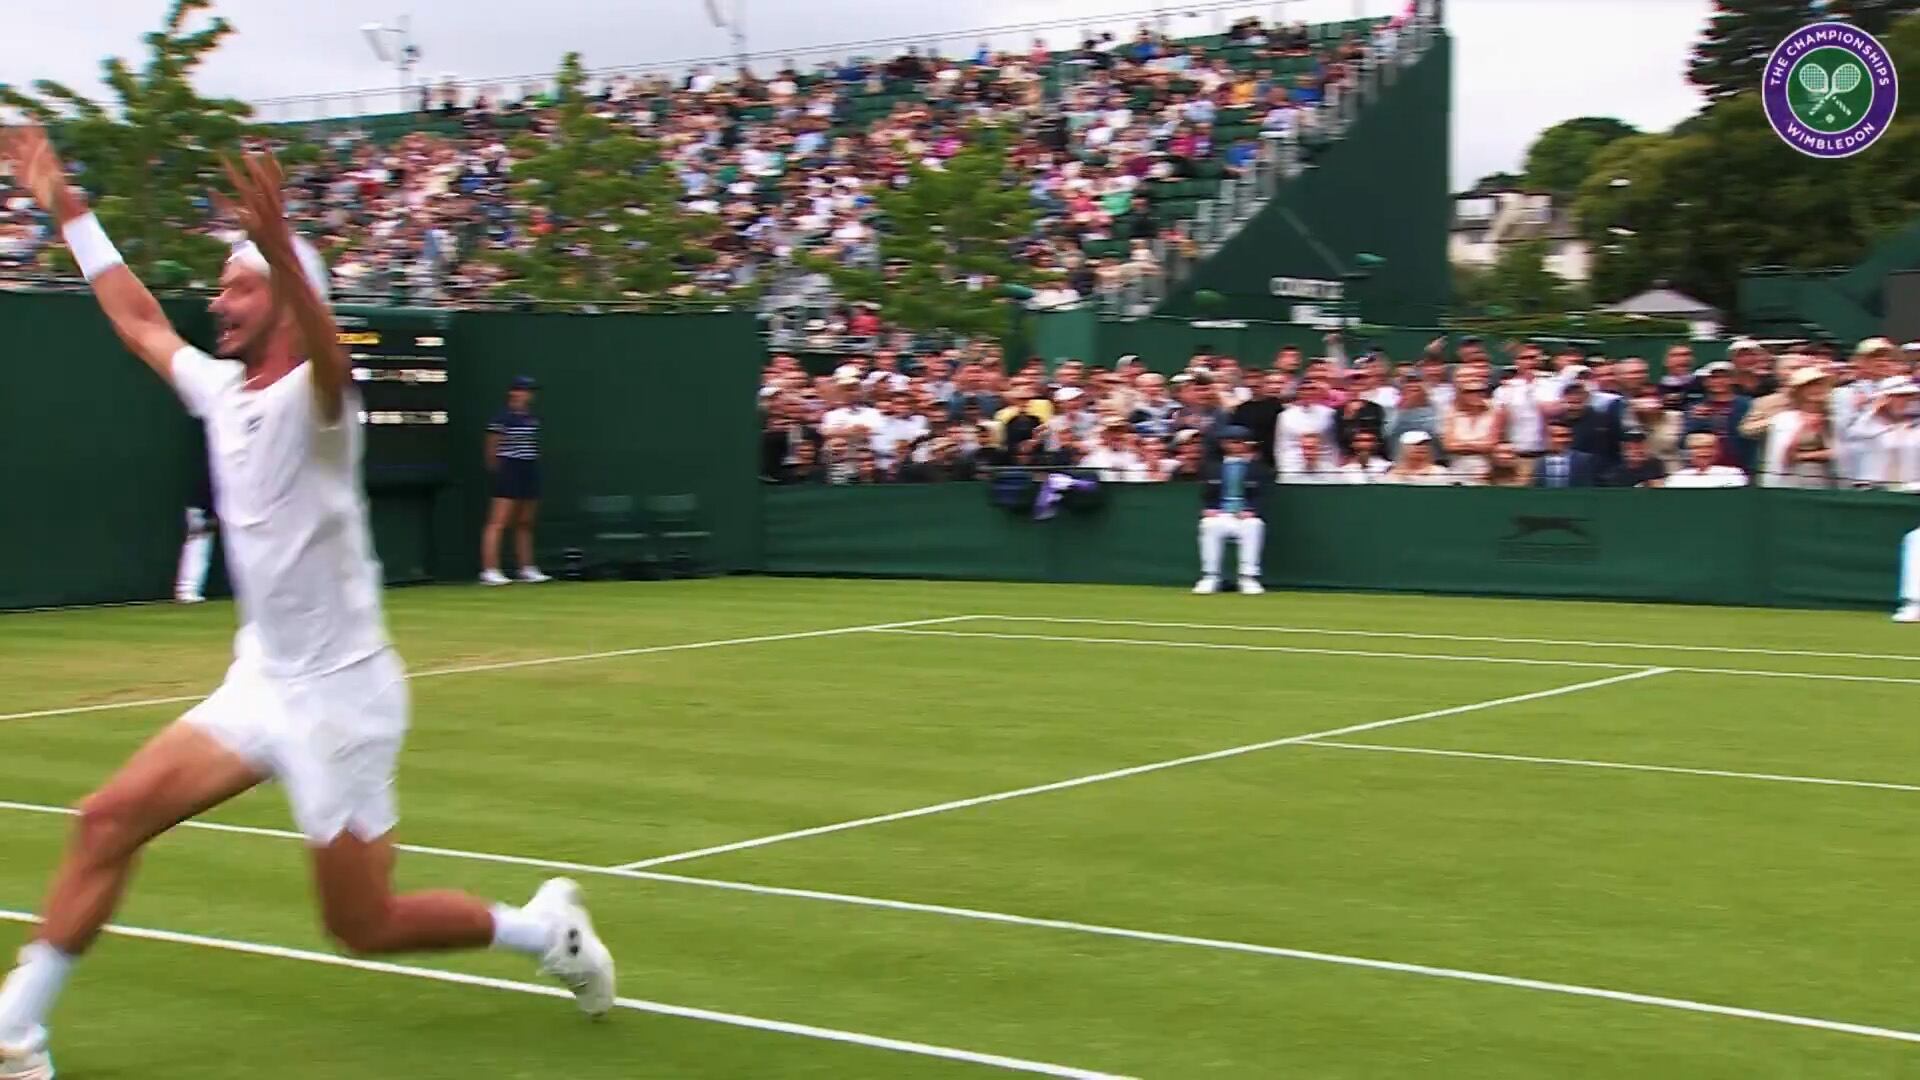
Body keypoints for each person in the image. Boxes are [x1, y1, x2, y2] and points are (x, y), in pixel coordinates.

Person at [0, 130, 614, 1080]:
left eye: (237, 285)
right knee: (105, 821)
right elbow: (134, 320)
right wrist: (63, 204)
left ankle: (543, 933)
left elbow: (328, 359)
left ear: (287, 299)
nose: (217, 300)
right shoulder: (219, 392)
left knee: (362, 925)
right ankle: (17, 1035)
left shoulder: (324, 408)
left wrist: (282, 248)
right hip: (263, 682)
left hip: (344, 702)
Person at [481, 376, 553, 584]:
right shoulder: (501, 418)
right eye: (523, 390)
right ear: (513, 392)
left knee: (525, 522)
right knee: (498, 522)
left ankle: (526, 568)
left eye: (530, 391)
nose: (527, 394)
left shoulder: (531, 419)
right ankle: (489, 570)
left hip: (528, 468)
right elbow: (491, 448)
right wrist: (499, 471)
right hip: (508, 468)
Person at [1194, 426, 1269, 595]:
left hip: (1245, 515)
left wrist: (1252, 510)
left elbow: (1263, 495)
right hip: (1221, 513)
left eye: (1241, 442)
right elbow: (1206, 494)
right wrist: (1209, 508)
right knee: (1208, 525)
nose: (1237, 445)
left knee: (1254, 525)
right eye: (1233, 441)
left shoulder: (1258, 468)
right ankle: (1210, 576)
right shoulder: (1212, 468)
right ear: (1224, 444)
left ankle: (1247, 577)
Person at [175, 435, 216, 604]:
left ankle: (187, 590)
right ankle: (186, 590)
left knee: (200, 547)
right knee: (198, 545)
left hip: (204, 510)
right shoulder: (213, 471)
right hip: (199, 511)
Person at [1666, 432, 1750, 488]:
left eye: (1709, 447)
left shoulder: (1733, 473)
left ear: (1718, 451)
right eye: (1696, 448)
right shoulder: (1677, 477)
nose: (1703, 452)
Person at [1533, 421, 1598, 488]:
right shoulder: (1539, 463)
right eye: (1558, 436)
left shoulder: (1584, 460)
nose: (1563, 440)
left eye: (1567, 435)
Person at [1602, 431, 1667, 488]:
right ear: (1625, 451)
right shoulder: (1615, 476)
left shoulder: (1655, 465)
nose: (1638, 451)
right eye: (1633, 449)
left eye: (1641, 447)